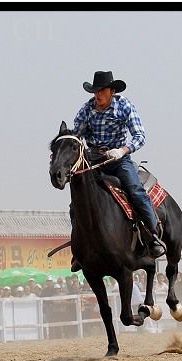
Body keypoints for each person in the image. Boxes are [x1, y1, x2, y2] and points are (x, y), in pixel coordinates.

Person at [71, 70, 166, 270]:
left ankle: (152, 236)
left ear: (112, 91)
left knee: (135, 191)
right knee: (78, 198)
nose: (97, 95)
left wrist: (122, 150)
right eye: (95, 91)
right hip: (93, 160)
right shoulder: (87, 109)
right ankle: (80, 249)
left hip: (119, 159)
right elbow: (76, 134)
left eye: (102, 91)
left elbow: (139, 136)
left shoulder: (124, 106)